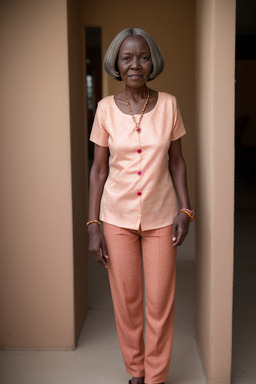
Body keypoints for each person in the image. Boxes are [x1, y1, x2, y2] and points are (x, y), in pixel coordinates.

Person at [87, 28, 193, 384]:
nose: (135, 64)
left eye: (143, 57)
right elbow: (98, 169)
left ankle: (156, 377)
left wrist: (186, 209)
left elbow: (177, 162)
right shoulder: (103, 109)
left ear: (153, 62)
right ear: (116, 63)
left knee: (160, 304)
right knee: (127, 303)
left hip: (163, 217)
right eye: (127, 58)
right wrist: (93, 225)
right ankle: (136, 373)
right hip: (115, 218)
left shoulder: (169, 105)